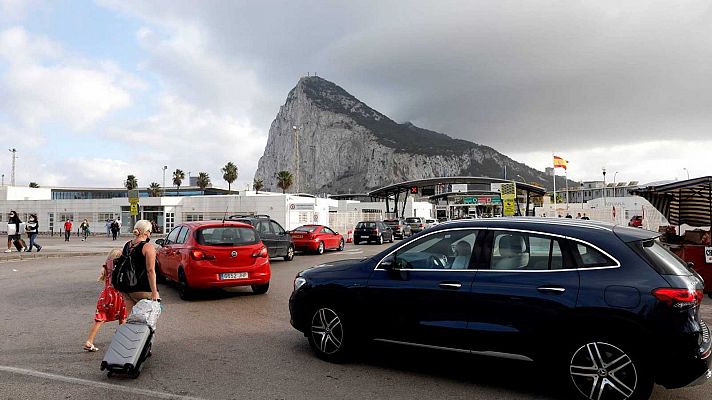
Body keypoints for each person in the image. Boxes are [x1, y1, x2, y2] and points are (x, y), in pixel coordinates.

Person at [83, 249, 127, 352]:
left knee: (100, 318)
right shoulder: (121, 268)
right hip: (118, 295)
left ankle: (89, 341)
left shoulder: (106, 267)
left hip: (106, 294)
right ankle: (122, 340)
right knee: (122, 318)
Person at [119, 220, 160, 311]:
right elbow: (150, 271)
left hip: (127, 287)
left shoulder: (127, 245)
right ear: (146, 232)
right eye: (150, 231)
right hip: (143, 288)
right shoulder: (148, 247)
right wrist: (154, 292)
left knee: (128, 318)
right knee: (148, 319)